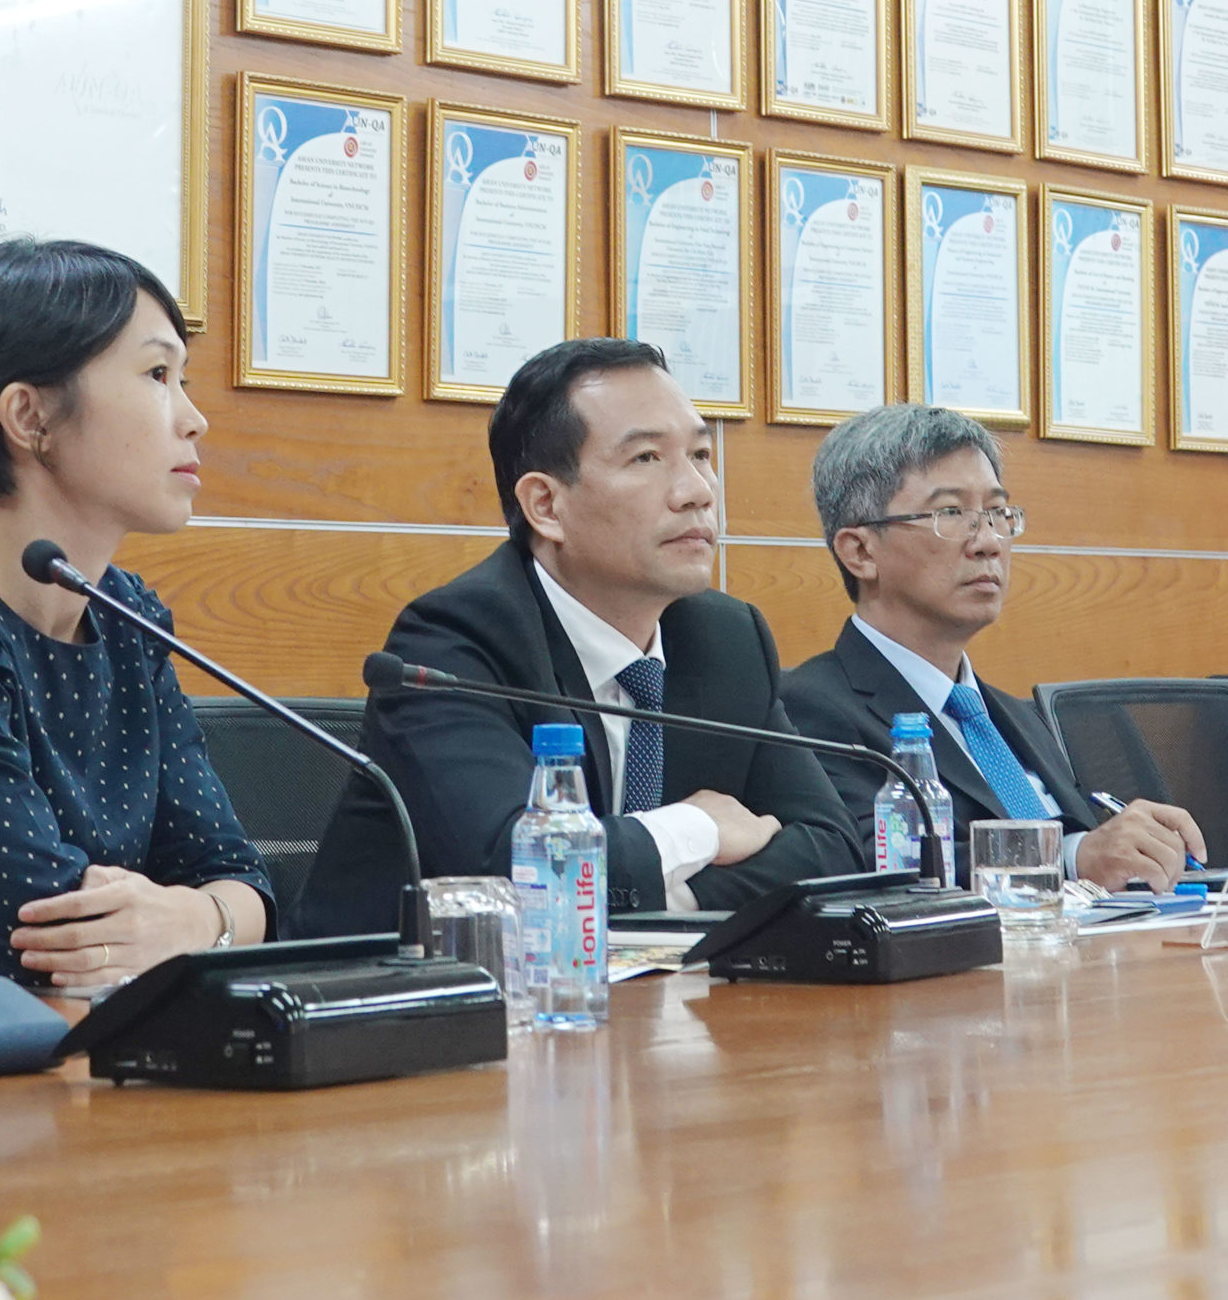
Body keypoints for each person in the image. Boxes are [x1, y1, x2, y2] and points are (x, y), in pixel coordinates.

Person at [0, 239, 273, 987]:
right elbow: (48, 930)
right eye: (157, 375)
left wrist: (198, 920)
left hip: (104, 1038)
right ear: (30, 416)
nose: (195, 420)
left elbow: (240, 878)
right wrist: (197, 918)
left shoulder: (127, 619)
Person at [295, 339, 863, 935]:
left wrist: (674, 899)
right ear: (545, 505)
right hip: (416, 986)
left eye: (700, 454)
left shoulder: (727, 639)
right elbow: (515, 866)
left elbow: (833, 850)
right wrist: (698, 829)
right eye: (647, 458)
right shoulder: (453, 641)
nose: (697, 490)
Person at [779, 405, 1206, 890]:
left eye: (998, 513)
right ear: (860, 552)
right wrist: (1072, 858)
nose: (988, 542)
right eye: (951, 513)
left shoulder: (1015, 717)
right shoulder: (808, 710)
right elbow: (878, 864)